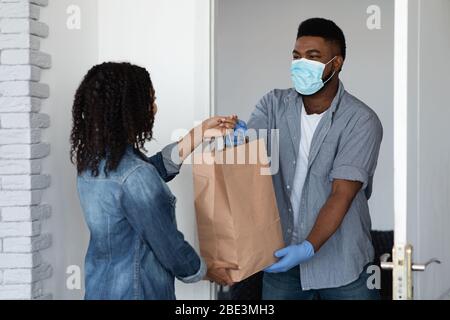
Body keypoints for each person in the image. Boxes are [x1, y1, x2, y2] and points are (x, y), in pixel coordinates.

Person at [70, 62, 238, 300]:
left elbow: (149, 173)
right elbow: (171, 248)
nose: (155, 108)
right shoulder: (135, 175)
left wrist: (199, 133)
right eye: (149, 100)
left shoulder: (94, 163)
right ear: (129, 108)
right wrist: (207, 270)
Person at [247, 18, 383, 300]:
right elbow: (249, 158)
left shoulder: (361, 120)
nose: (301, 64)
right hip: (281, 259)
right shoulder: (273, 104)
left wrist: (308, 247)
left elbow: (341, 194)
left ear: (336, 63)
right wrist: (236, 141)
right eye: (296, 56)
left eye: (313, 57)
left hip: (342, 264)